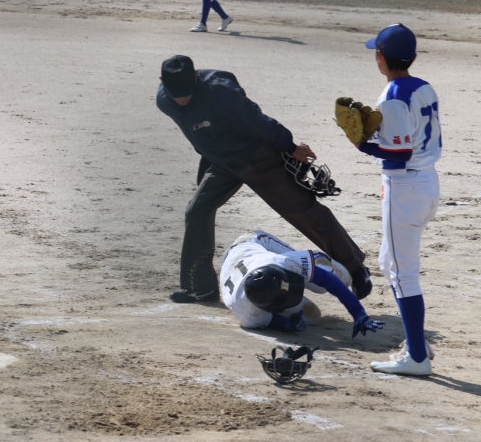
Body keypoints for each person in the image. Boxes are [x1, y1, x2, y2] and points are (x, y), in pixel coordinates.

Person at [156, 55, 372, 304]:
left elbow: (257, 119)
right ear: (162, 82)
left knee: (303, 210)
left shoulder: (222, 92)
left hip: (258, 157)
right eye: (177, 94)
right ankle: (199, 287)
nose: (182, 99)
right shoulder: (163, 101)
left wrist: (290, 146)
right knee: (196, 212)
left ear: (196, 76)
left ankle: (356, 269)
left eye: (187, 92)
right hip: (221, 162)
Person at [349, 24, 442, 376]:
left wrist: (362, 145)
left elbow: (399, 154)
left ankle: (416, 357)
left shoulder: (392, 97)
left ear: (381, 57)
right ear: (413, 57)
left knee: (402, 274)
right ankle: (418, 342)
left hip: (406, 189)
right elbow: (409, 142)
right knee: (390, 262)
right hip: (426, 183)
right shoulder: (423, 87)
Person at [220, 230, 384, 337]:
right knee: (312, 317)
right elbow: (269, 321)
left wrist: (358, 313)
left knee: (325, 273)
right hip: (236, 265)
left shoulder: (282, 262)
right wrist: (288, 325)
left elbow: (328, 279)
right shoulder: (248, 314)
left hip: (250, 243)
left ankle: (354, 270)